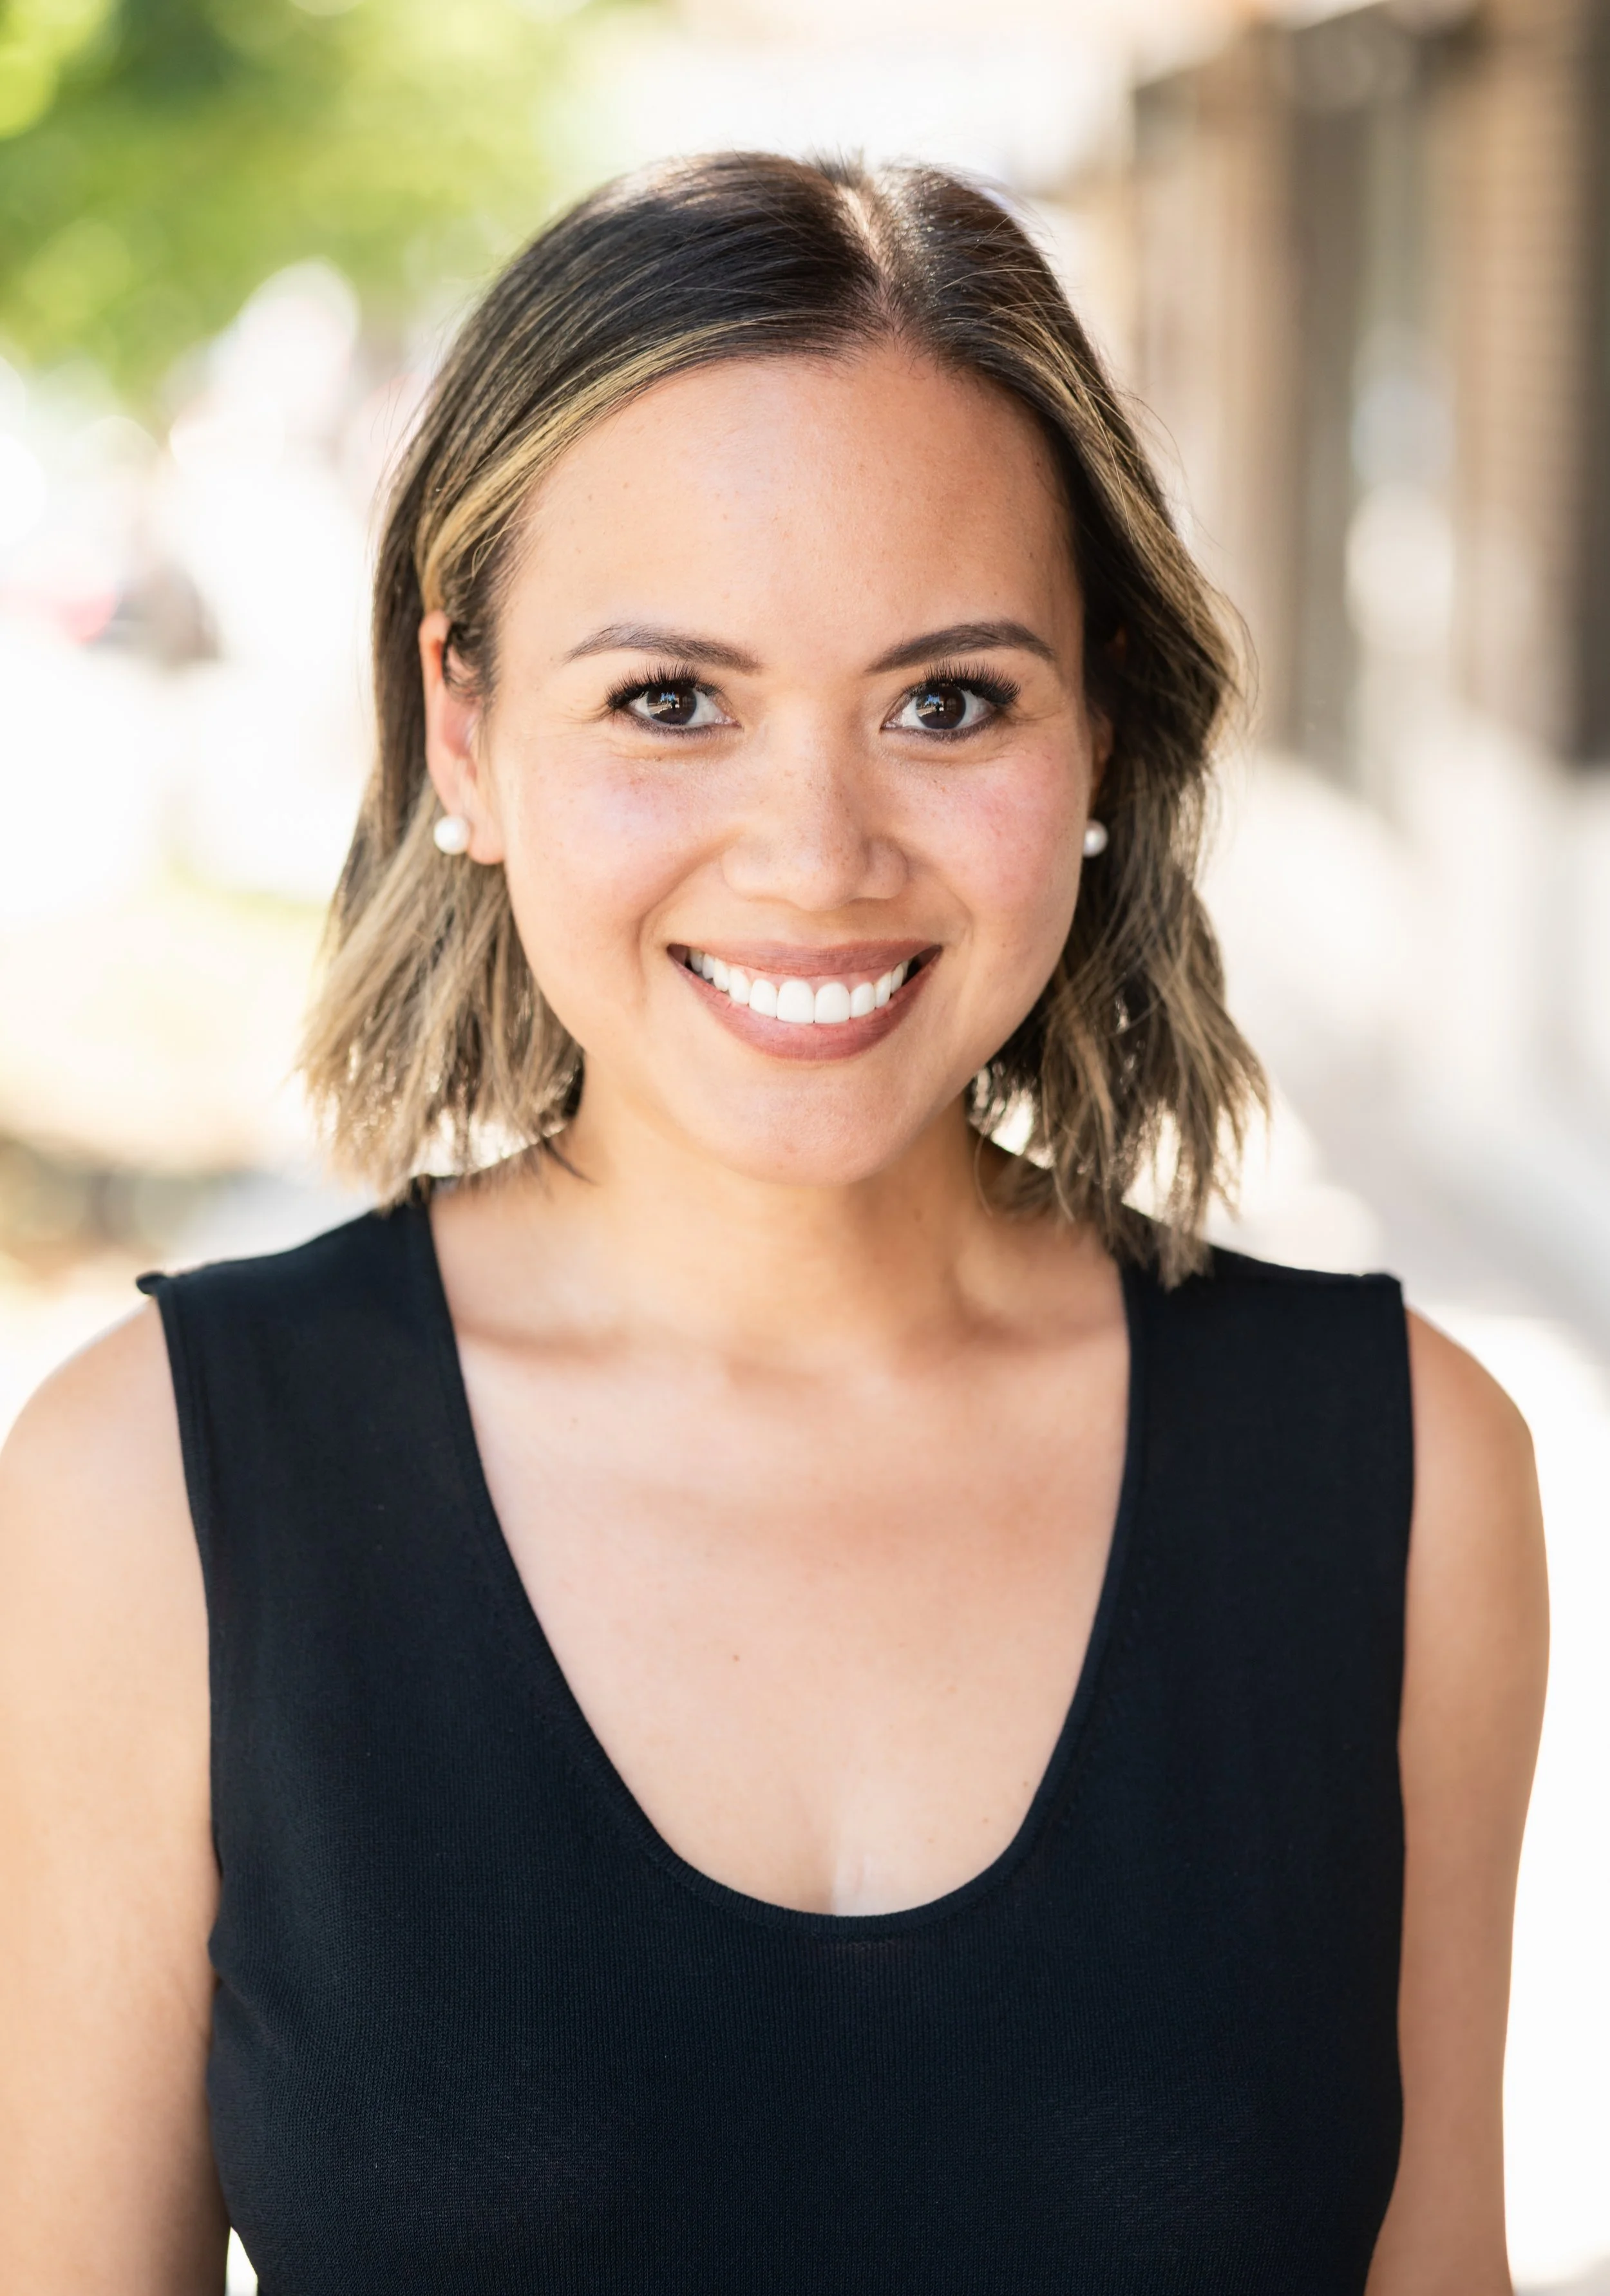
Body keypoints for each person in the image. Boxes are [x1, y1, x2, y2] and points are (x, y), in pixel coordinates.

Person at [0, 153, 1547, 2295]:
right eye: (667, 699)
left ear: (1095, 718)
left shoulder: (1403, 1471)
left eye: (945, 699)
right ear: (466, 726)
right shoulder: (145, 1489)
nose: (815, 854)